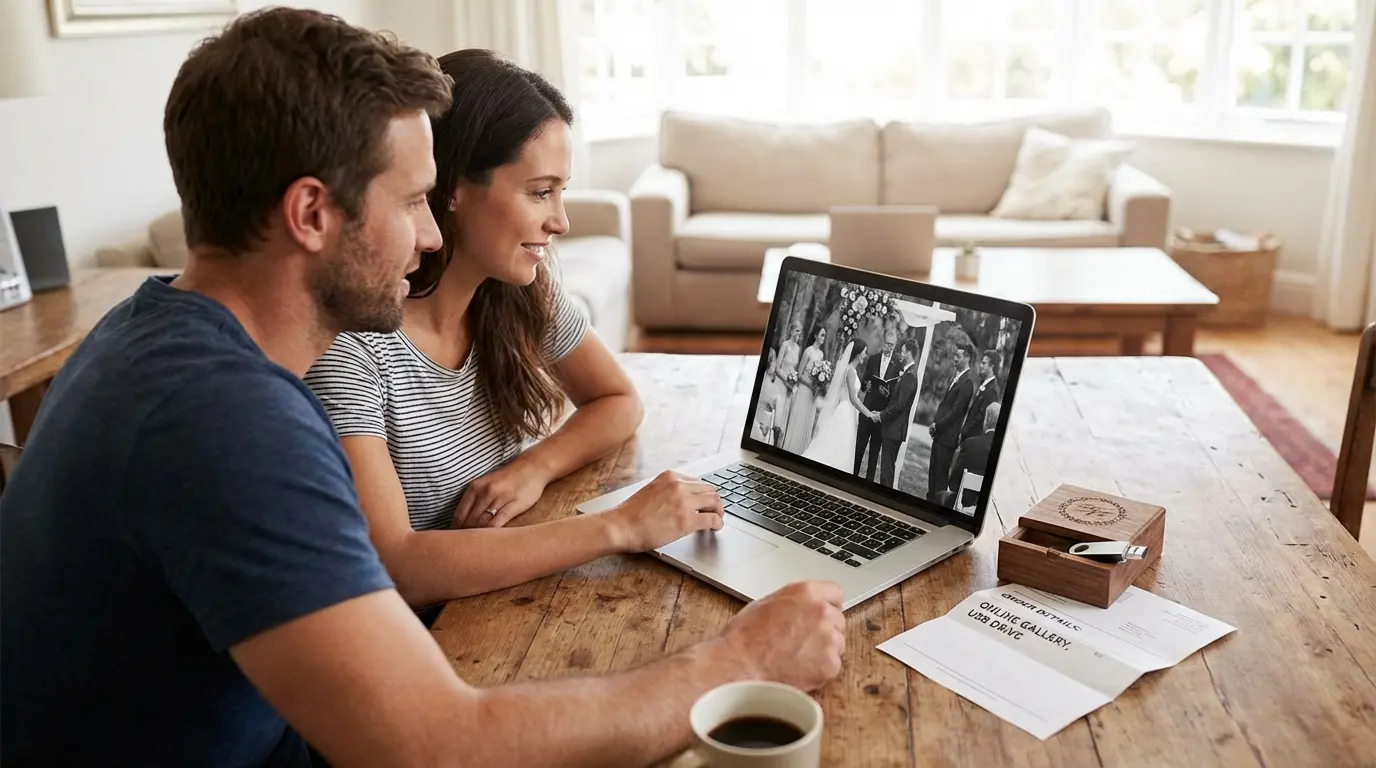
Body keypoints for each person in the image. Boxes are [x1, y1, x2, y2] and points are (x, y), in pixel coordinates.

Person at [0, 10, 845, 767]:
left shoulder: (157, 338)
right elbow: (432, 744)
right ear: (311, 213)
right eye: (411, 202)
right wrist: (740, 664)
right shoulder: (225, 421)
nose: (432, 232)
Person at [302, 49, 712, 613]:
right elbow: (400, 569)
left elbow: (619, 400)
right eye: (540, 192)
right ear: (453, 188)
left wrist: (533, 468)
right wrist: (620, 527)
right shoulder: (356, 345)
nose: (561, 221)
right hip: (435, 640)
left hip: (510, 601)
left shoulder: (516, 291)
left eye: (562, 191)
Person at [802, 338, 875, 472]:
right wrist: (869, 414)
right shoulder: (851, 371)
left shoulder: (849, 369)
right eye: (864, 352)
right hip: (846, 412)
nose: (865, 355)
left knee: (839, 446)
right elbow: (853, 399)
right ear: (858, 354)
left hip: (847, 410)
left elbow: (853, 395)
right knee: (839, 446)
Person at [867, 337, 921, 488]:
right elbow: (897, 401)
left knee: (886, 473)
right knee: (887, 471)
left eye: (903, 351)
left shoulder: (910, 375)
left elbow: (900, 406)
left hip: (894, 430)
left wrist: (881, 416)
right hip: (893, 430)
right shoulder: (907, 373)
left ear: (909, 352)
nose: (901, 354)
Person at [928, 343, 974, 503]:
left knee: (939, 480)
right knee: (932, 476)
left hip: (947, 439)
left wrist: (937, 425)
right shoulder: (957, 378)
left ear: (967, 357)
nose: (955, 358)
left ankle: (936, 511)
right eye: (955, 355)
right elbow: (945, 406)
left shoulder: (967, 383)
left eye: (959, 356)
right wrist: (935, 425)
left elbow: (955, 412)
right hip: (940, 436)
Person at [855, 327, 900, 480]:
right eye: (887, 344)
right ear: (883, 342)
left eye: (892, 345)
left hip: (881, 414)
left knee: (874, 453)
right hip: (867, 408)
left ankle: (868, 483)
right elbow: (864, 381)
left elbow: (896, 393)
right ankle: (852, 476)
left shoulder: (898, 364)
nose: (889, 347)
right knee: (859, 448)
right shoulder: (873, 358)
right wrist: (866, 385)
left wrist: (888, 394)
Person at [939, 401, 1000, 511]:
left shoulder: (971, 443)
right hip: (988, 507)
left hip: (965, 502)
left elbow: (953, 480)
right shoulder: (1001, 451)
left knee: (939, 496)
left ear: (987, 420)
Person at [781, 326, 826, 453]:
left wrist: (818, 385)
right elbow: (799, 374)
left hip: (812, 393)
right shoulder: (808, 351)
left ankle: (802, 451)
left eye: (824, 335)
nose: (823, 338)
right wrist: (810, 385)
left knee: (808, 420)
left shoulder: (821, 354)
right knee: (799, 420)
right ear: (815, 335)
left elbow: (818, 376)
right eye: (822, 335)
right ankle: (791, 449)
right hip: (804, 391)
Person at [961, 349, 1003, 444]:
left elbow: (981, 416)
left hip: (973, 438)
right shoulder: (984, 384)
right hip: (968, 436)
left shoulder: (992, 390)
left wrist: (966, 432)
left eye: (984, 363)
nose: (980, 366)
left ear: (992, 366)